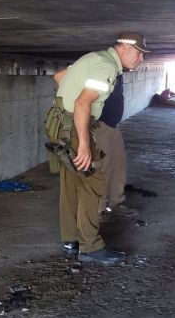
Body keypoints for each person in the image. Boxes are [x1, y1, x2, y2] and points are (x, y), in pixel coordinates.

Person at [51, 32, 148, 265]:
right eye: (138, 54)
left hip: (61, 125)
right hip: (77, 127)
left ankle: (71, 240)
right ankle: (90, 247)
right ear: (124, 49)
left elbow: (59, 76)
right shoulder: (106, 66)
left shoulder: (93, 58)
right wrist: (84, 144)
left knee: (71, 185)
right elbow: (83, 103)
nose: (141, 60)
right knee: (91, 183)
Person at [96, 73, 137, 221]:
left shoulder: (117, 73)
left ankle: (116, 202)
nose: (140, 59)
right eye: (138, 55)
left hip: (113, 126)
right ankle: (99, 209)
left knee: (119, 165)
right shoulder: (103, 69)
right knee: (103, 167)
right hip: (100, 125)